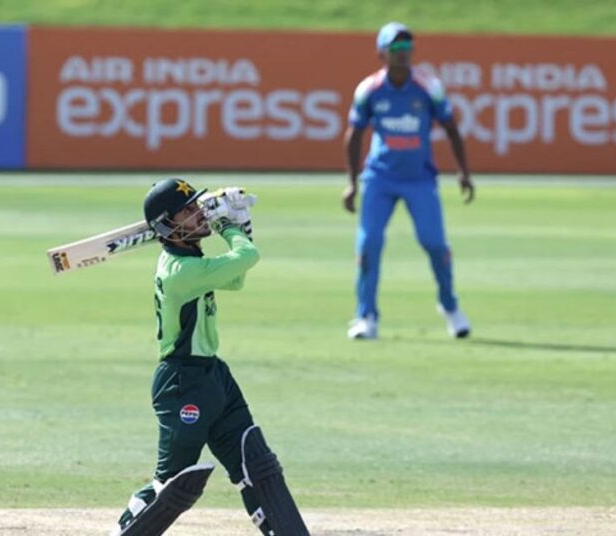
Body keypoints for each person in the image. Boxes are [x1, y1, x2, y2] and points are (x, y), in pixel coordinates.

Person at [111, 179, 310, 536]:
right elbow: (248, 258)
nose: (201, 213)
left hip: (213, 376)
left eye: (199, 206)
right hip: (183, 382)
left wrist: (242, 231)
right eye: (189, 211)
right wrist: (228, 227)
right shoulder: (180, 273)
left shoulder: (190, 261)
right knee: (174, 484)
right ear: (168, 226)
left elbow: (236, 278)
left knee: (257, 464)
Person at [343, 22, 476, 340]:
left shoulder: (428, 86)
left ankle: (450, 306)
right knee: (369, 244)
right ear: (381, 53)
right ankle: (366, 317)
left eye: (407, 48)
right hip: (379, 178)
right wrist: (351, 183)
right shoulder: (369, 90)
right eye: (396, 49)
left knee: (435, 245)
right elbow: (354, 135)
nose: (403, 54)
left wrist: (463, 172)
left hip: (419, 179)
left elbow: (452, 128)